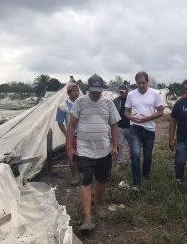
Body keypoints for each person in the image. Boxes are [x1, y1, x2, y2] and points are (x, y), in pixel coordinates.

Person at [66, 74, 120, 232]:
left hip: (104, 151)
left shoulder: (108, 103)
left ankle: (98, 206)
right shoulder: (80, 102)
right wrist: (70, 148)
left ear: (102, 89)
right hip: (84, 151)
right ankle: (88, 219)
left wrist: (115, 147)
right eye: (93, 91)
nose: (96, 94)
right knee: (85, 183)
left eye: (98, 91)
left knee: (101, 181)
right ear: (88, 88)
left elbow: (114, 126)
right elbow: (71, 126)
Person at [124, 71, 164, 191]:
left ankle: (146, 174)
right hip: (134, 128)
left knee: (147, 155)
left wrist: (148, 118)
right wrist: (130, 117)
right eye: (138, 83)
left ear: (147, 82)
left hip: (149, 128)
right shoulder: (131, 94)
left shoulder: (155, 94)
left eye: (143, 82)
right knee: (135, 154)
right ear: (136, 82)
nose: (141, 85)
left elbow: (160, 111)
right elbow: (126, 111)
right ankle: (137, 183)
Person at [55, 83, 80, 185]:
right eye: (74, 91)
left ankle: (83, 174)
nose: (76, 93)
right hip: (72, 136)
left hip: (83, 135)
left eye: (77, 90)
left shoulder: (82, 103)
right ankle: (74, 176)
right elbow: (60, 122)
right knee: (72, 156)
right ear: (69, 93)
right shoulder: (63, 106)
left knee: (84, 156)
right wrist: (67, 135)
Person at [113, 84, 130, 170]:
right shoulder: (116, 101)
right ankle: (119, 162)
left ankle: (132, 161)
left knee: (132, 145)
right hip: (120, 126)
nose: (121, 93)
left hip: (130, 126)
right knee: (119, 145)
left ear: (127, 91)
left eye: (123, 92)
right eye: (120, 92)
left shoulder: (131, 100)